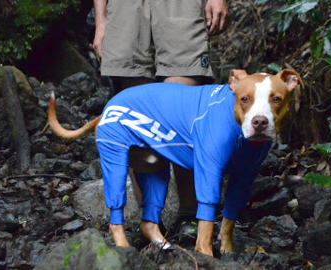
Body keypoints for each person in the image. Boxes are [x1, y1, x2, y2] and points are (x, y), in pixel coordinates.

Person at [92, 0, 229, 246]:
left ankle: (190, 214)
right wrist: (101, 22)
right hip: (124, 8)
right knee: (137, 120)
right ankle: (150, 222)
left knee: (183, 112)